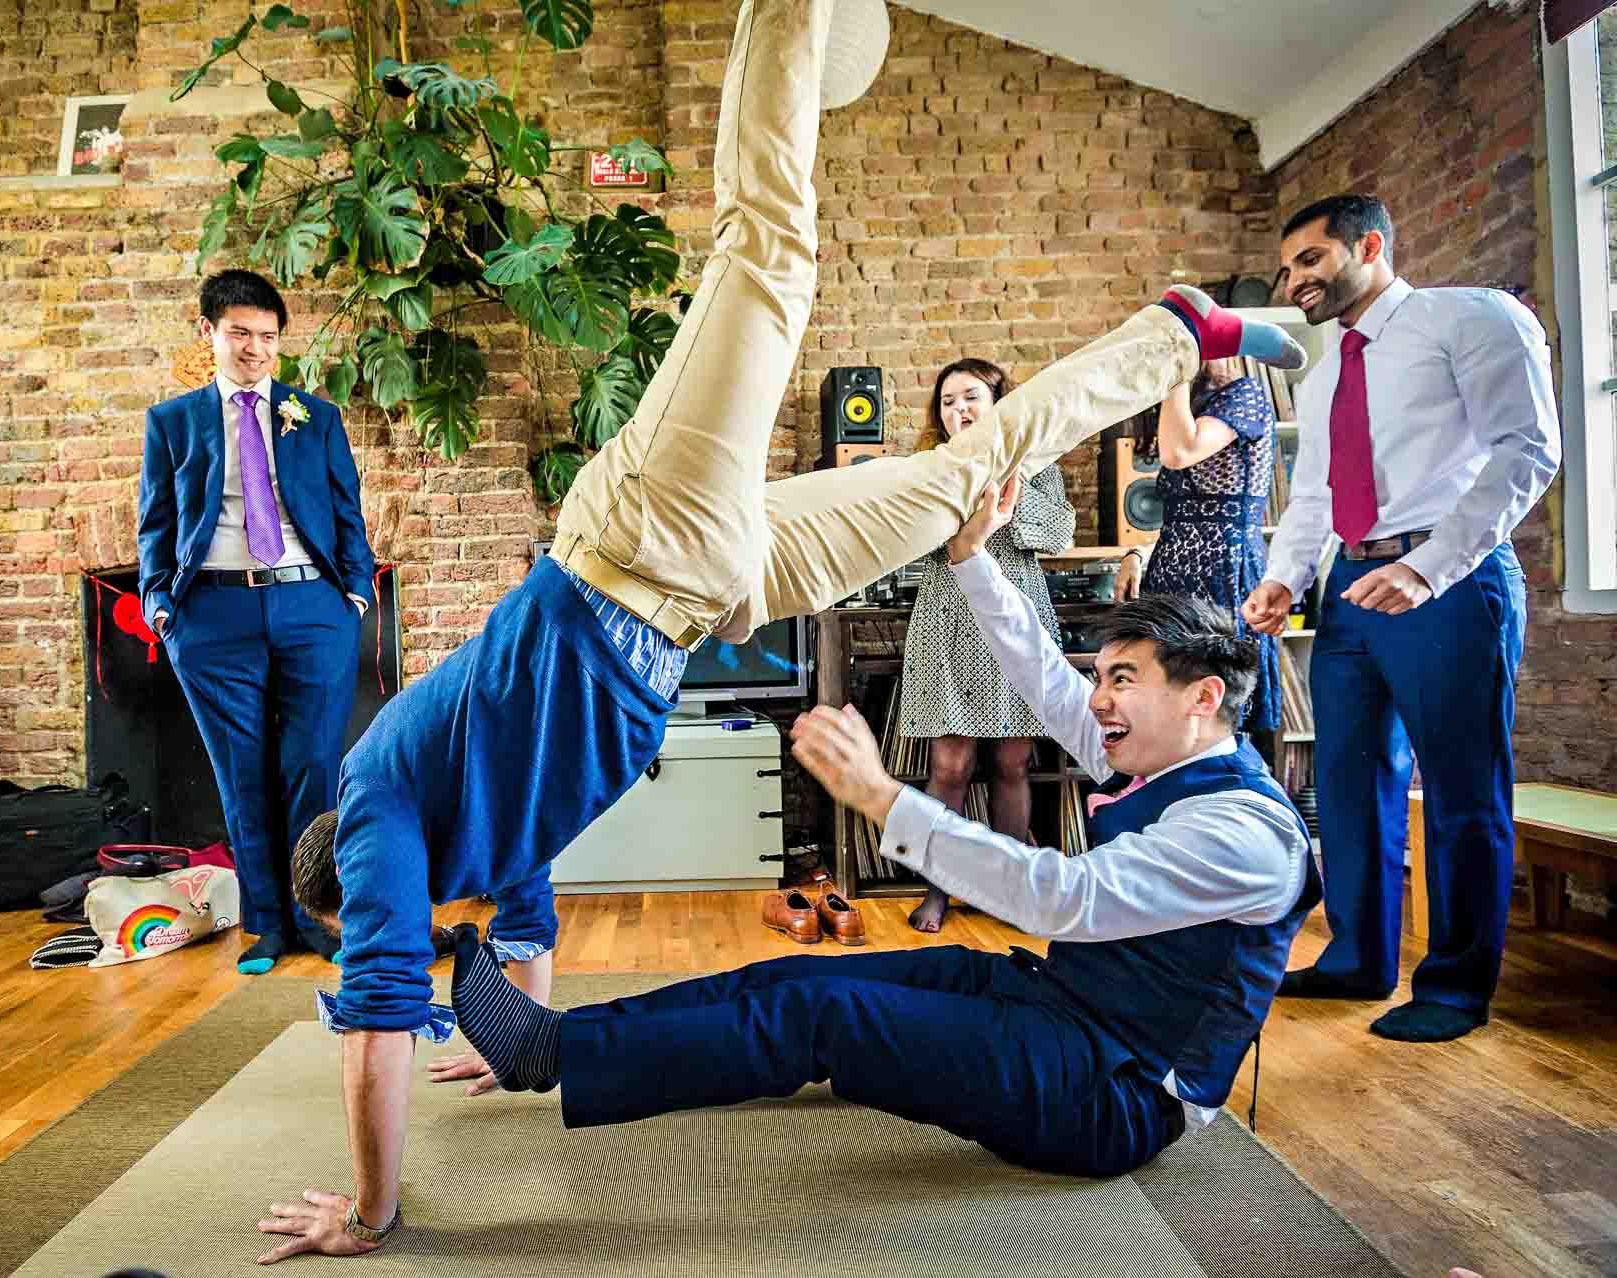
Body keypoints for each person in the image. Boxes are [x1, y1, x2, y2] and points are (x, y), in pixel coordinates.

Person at [257, 0, 1306, 1257]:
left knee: (770, 261)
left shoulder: (376, 810)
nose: (413, 917)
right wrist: (516, 1044)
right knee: (965, 481)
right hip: (710, 589)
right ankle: (1172, 338)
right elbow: (521, 931)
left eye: (391, 910)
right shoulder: (479, 834)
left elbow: (377, 1013)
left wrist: (370, 1217)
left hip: (636, 545)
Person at [445, 472, 1317, 1186]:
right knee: (801, 975)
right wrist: (973, 558)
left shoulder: (1244, 834)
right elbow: (1045, 676)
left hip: (1112, 1094)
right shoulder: (1164, 757)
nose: (1100, 700)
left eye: (1124, 679)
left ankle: (553, 1051)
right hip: (1062, 1008)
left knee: (823, 1016)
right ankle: (554, 1041)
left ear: (1203, 699)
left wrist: (882, 797)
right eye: (1107, 678)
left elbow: (1068, 900)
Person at [1245, 194, 1561, 1043]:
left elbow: (1527, 447)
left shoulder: (1469, 318)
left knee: (1460, 793)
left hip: (1451, 585)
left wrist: (1429, 568)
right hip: (1350, 589)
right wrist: (1285, 578)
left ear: (1369, 246)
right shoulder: (1325, 374)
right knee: (1347, 781)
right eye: (1288, 268)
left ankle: (1456, 988)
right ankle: (1358, 958)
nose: (1295, 280)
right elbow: (1313, 492)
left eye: (1310, 260)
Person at [137, 269, 377, 974]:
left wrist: (355, 594)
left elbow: (346, 512)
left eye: (267, 337)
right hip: (211, 612)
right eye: (240, 333)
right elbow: (155, 523)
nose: (254, 349)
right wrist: (162, 606)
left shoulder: (315, 417)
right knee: (240, 772)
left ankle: (318, 921)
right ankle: (266, 926)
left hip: (311, 604)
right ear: (207, 332)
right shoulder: (172, 422)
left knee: (313, 767)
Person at [899, 357, 1074, 933]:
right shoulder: (930, 467)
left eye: (971, 397)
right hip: (948, 617)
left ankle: (1010, 894)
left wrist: (1001, 486)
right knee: (949, 765)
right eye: (948, 402)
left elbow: (1053, 534)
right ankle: (940, 891)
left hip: (1016, 617)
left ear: (998, 402)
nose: (959, 410)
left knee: (1012, 762)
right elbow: (910, 545)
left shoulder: (1035, 462)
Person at [1117, 357, 1282, 748]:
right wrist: (1137, 554)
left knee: (1220, 714)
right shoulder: (1185, 409)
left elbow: (1180, 452)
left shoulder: (1245, 395)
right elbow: (1185, 516)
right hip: (1169, 580)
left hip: (1223, 576)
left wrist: (1174, 373)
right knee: (1169, 708)